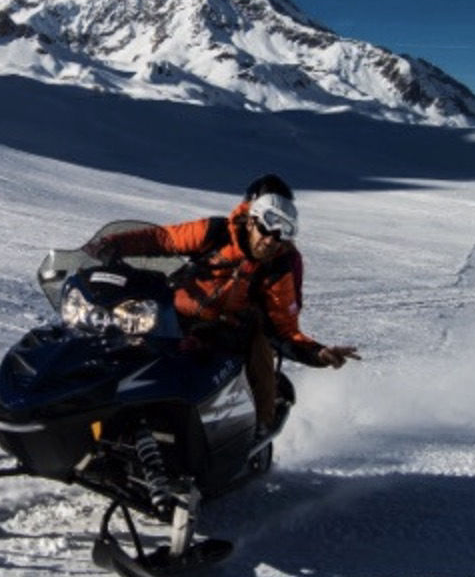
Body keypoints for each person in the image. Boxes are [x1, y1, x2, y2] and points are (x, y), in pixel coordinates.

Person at [83, 174, 360, 434]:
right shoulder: (215, 232)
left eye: (281, 233)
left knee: (259, 345)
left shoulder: (281, 265)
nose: (271, 239)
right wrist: (112, 245)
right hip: (176, 311)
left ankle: (257, 426)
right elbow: (164, 238)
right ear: (251, 218)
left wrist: (318, 353)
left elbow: (285, 326)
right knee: (121, 332)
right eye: (267, 226)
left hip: (229, 331)